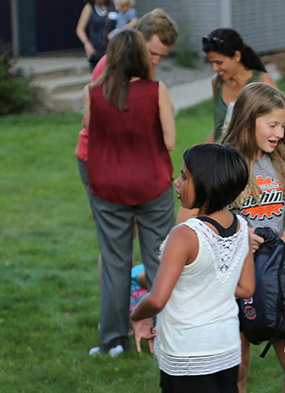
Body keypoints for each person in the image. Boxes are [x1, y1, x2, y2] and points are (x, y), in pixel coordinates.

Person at [174, 83, 285, 392]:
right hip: (229, 279)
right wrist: (236, 238)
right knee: (237, 367)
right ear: (250, 121)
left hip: (275, 278)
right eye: (272, 125)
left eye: (283, 125)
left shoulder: (281, 164)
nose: (279, 132)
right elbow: (188, 223)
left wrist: (280, 247)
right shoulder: (222, 164)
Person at [74, 9, 178, 331]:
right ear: (137, 45)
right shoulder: (147, 86)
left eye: (162, 56)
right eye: (152, 54)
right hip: (143, 177)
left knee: (116, 258)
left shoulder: (95, 90)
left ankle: (113, 338)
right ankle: (166, 332)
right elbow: (168, 140)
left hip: (108, 177)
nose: (156, 61)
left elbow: (95, 123)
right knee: (159, 256)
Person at [130, 143, 256, 393]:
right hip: (226, 347)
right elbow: (246, 287)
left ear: (207, 185)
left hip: (187, 352)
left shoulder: (184, 235)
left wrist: (136, 316)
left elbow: (157, 300)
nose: (176, 182)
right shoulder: (242, 227)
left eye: (184, 176)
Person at [202, 28, 277, 143]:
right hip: (221, 157)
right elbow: (220, 126)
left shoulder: (263, 82)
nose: (214, 69)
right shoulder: (216, 83)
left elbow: (277, 127)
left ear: (236, 56)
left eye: (219, 62)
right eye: (211, 63)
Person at [76, 0, 116, 70]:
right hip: (97, 50)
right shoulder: (89, 7)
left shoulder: (114, 6)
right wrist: (86, 43)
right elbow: (80, 29)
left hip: (113, 50)